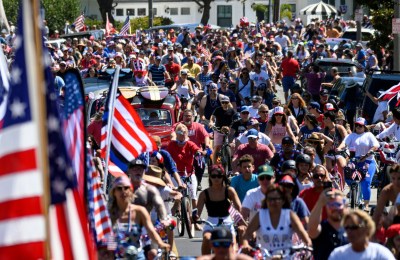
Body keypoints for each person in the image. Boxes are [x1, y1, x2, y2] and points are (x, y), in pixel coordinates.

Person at [107, 176, 170, 259]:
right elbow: (106, 236)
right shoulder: (109, 213)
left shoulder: (140, 211)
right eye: (119, 188)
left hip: (137, 255)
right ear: (114, 192)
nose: (123, 191)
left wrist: (161, 244)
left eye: (126, 188)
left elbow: (151, 231)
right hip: (117, 256)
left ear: (131, 191)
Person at [242, 185, 312, 253]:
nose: (273, 202)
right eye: (270, 199)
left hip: (287, 257)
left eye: (276, 199)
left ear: (283, 200)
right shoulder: (260, 215)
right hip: (264, 257)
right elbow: (246, 234)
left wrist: (308, 244)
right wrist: (245, 244)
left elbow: (303, 235)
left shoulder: (290, 215)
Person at [195, 164, 242, 255]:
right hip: (211, 222)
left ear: (223, 177)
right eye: (213, 176)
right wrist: (194, 217)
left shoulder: (230, 190)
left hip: (227, 222)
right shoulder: (204, 194)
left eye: (219, 176)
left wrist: (239, 218)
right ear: (210, 177)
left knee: (233, 242)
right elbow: (197, 213)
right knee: (207, 238)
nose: (216, 179)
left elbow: (239, 208)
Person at [337, 117, 379, 211]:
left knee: (366, 182)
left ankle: (366, 204)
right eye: (356, 125)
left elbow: (376, 145)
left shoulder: (369, 135)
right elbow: (344, 143)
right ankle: (353, 189)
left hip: (368, 161)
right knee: (347, 175)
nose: (358, 127)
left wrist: (370, 152)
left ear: (364, 126)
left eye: (360, 125)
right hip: (354, 160)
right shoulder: (351, 135)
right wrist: (339, 148)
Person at [328, 210, 395, 259]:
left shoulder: (381, 254)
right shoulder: (338, 254)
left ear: (367, 228)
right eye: (346, 227)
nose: (349, 231)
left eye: (354, 227)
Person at [239, 163, 275, 244]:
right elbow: (243, 216)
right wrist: (250, 230)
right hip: (256, 235)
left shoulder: (280, 193)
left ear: (273, 178)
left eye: (268, 178)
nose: (265, 181)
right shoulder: (251, 194)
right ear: (258, 179)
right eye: (262, 178)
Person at [308, 190, 349, 260]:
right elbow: (311, 228)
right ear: (326, 207)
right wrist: (320, 202)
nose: (335, 208)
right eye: (332, 205)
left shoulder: (352, 228)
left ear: (344, 206)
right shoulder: (322, 228)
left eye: (338, 204)